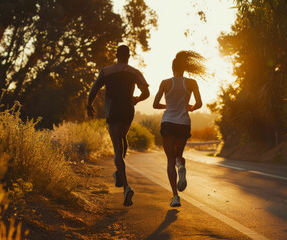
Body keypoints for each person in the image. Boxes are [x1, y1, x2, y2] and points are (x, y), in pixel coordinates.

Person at [87, 45, 150, 206]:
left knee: (117, 150)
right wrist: (135, 100)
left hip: (113, 112)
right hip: (128, 111)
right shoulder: (134, 72)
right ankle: (119, 174)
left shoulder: (106, 71)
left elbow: (94, 89)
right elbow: (146, 93)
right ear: (128, 56)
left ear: (116, 55)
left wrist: (89, 105)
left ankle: (126, 187)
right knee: (123, 139)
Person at [153, 51, 205, 207]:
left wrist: (167, 106)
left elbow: (155, 104)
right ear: (185, 68)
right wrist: (191, 108)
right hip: (183, 123)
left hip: (168, 122)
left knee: (169, 160)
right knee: (178, 156)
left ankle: (175, 196)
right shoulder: (191, 82)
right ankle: (181, 167)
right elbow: (200, 103)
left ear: (172, 68)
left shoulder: (165, 83)